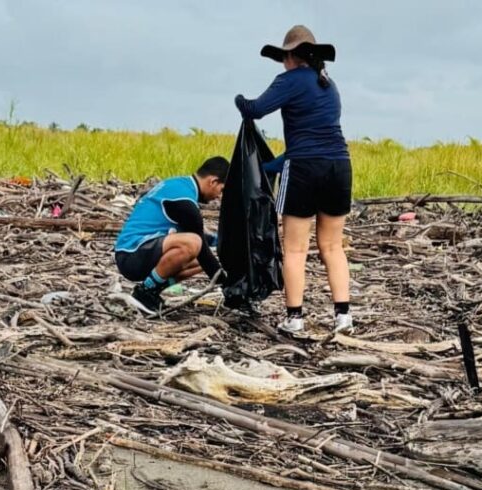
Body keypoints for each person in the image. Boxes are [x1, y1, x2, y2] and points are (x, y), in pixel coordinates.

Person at [235, 25, 354, 335]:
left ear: (289, 55)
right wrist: (271, 165)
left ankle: (295, 318)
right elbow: (311, 141)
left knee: (296, 249)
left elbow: (255, 109)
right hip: (340, 167)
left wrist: (238, 100)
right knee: (332, 246)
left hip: (304, 170)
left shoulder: (290, 79)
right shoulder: (328, 84)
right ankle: (343, 317)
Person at [114, 157, 229, 314]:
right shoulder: (184, 201)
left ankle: (153, 291)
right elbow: (200, 245)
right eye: (221, 190)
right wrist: (228, 285)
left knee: (201, 255)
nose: (219, 196)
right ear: (213, 181)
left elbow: (204, 239)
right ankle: (144, 293)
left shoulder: (179, 185)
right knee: (193, 244)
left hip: (140, 252)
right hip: (131, 254)